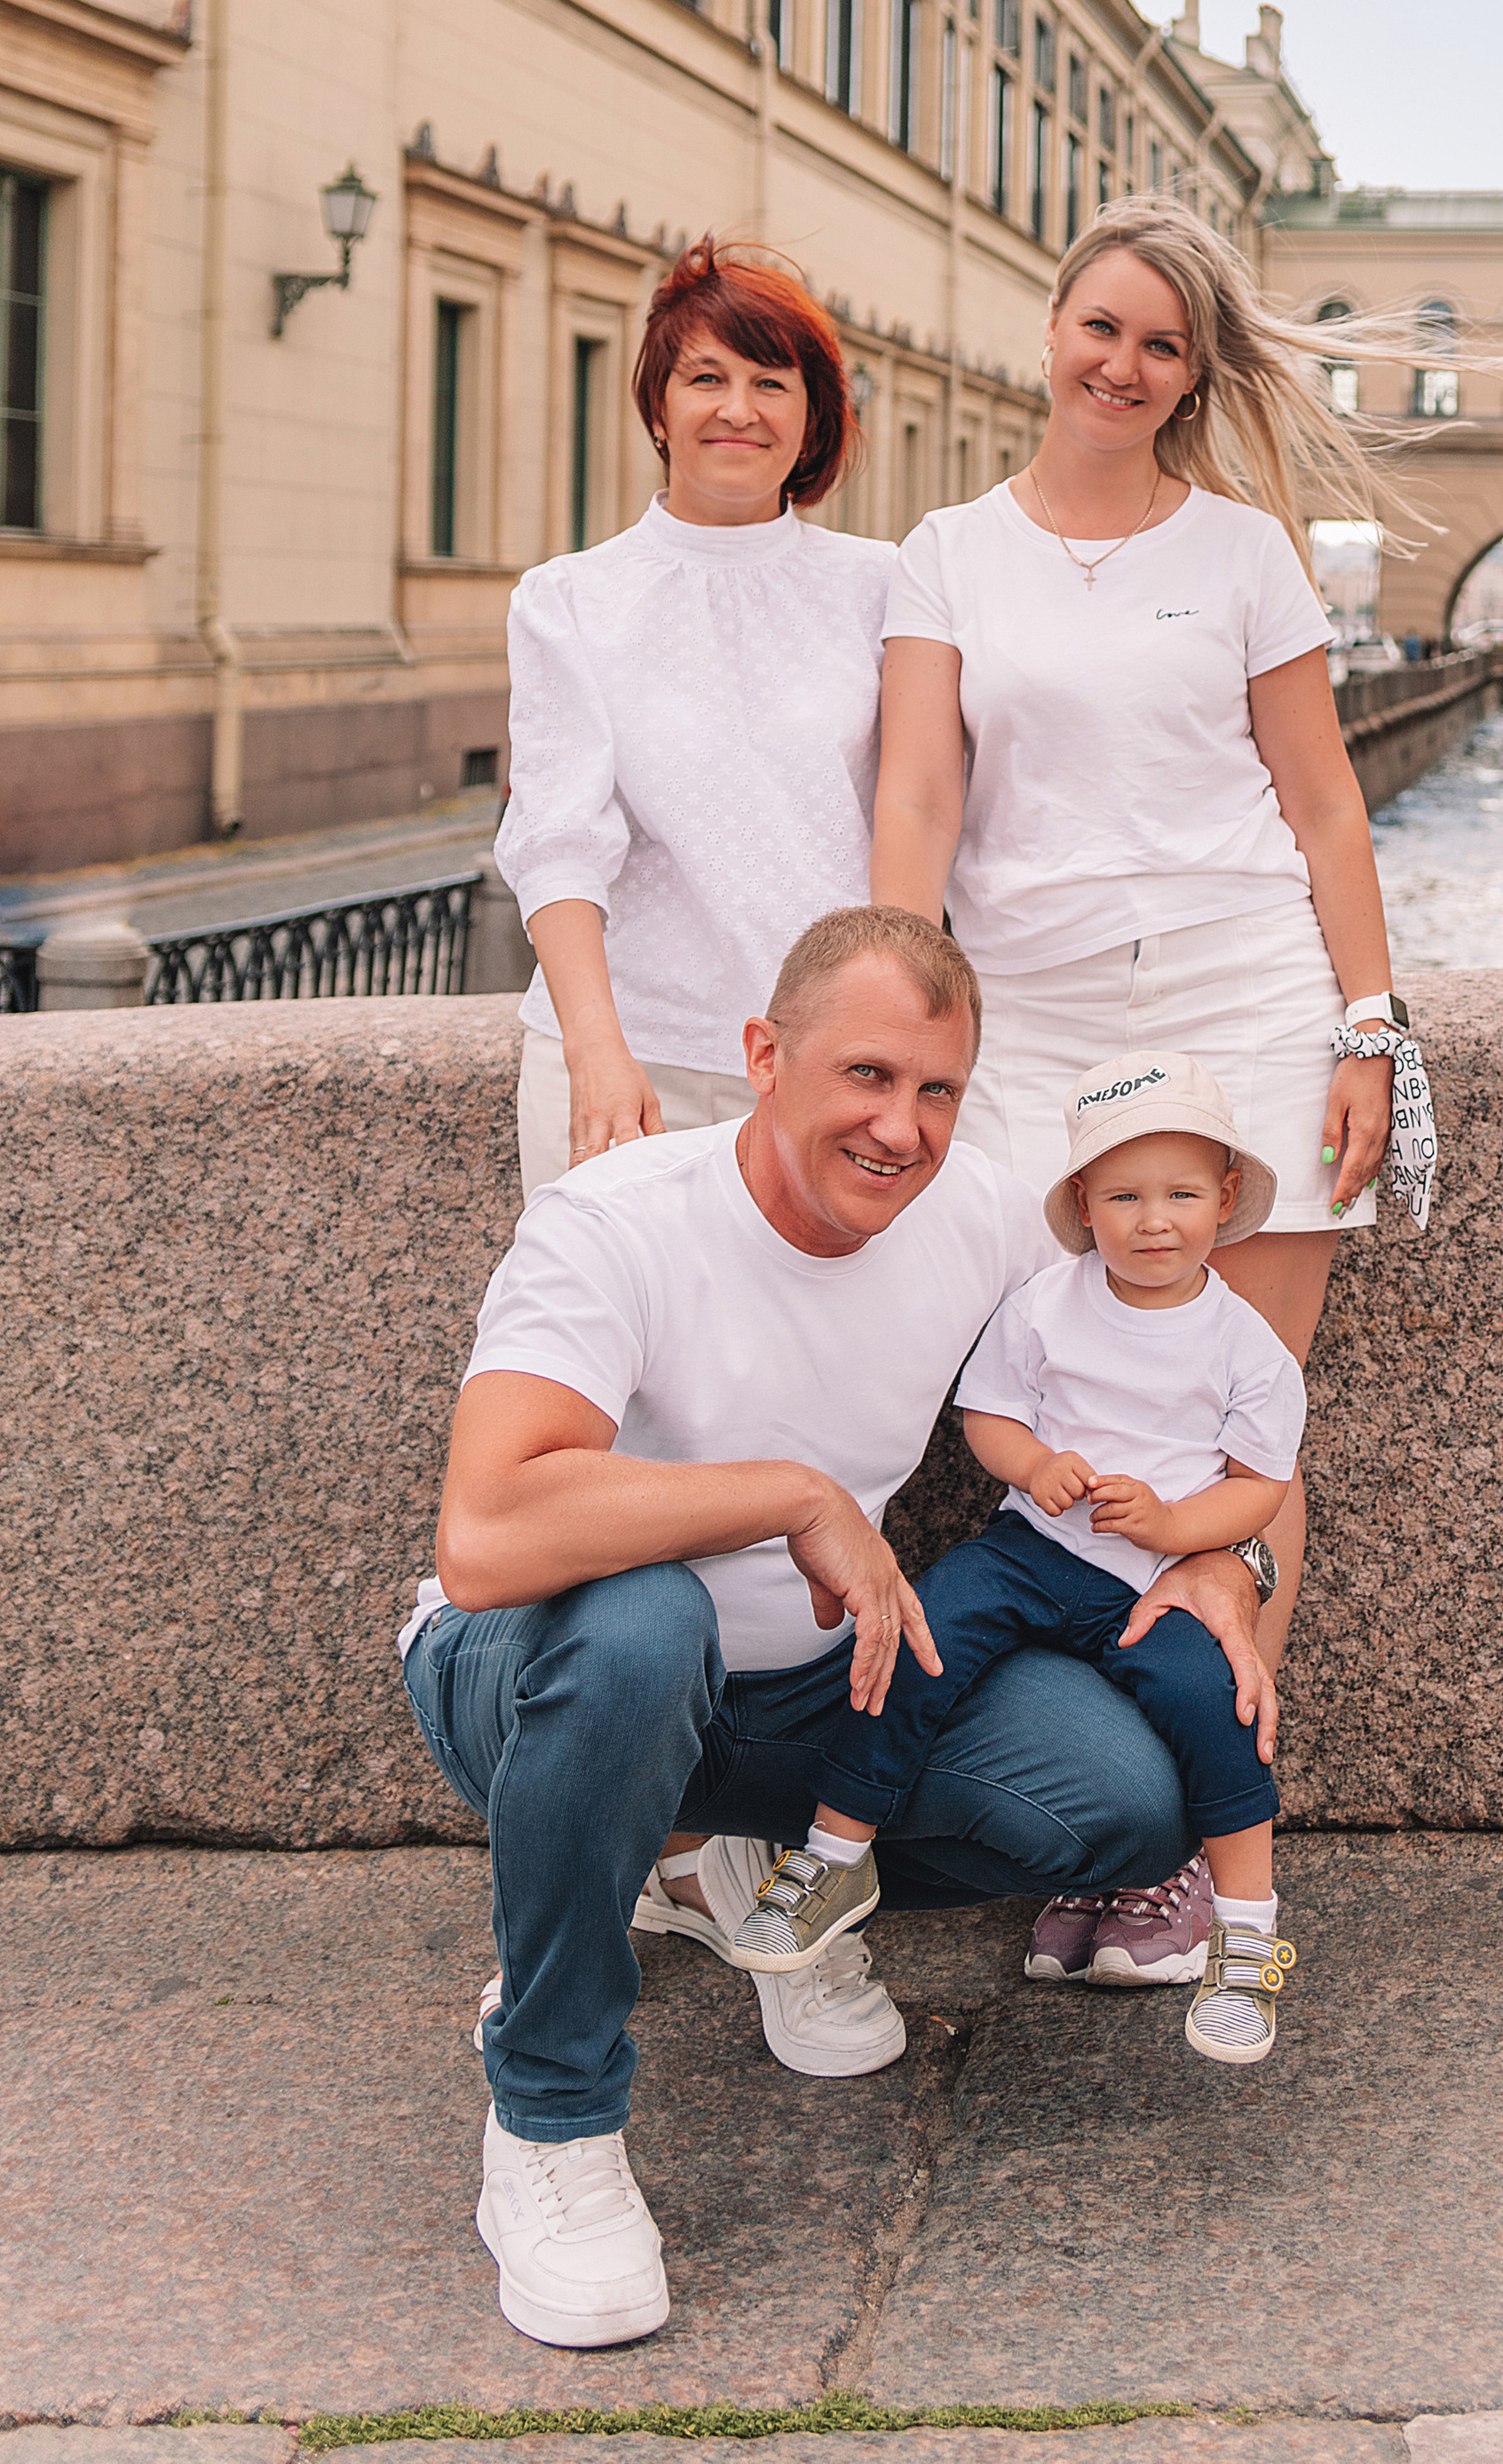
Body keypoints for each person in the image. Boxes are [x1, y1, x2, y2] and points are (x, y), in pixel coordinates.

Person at [398, 905, 1276, 2352]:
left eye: (937, 1089)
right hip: (536, 1675)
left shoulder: (984, 1216)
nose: (901, 1128)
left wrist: (1224, 1557)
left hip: (812, 1690)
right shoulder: (617, 1221)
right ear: (764, 1056)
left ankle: (732, 1863)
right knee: (640, 1623)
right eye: (866, 1077)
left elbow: (1182, 1374)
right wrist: (790, 1497)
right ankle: (548, 2117)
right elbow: (487, 1534)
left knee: (1123, 1801)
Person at [867, 200, 1418, 1993]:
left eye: (1159, 346)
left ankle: (1187, 1848)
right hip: (1027, 1020)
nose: (1120, 366)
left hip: (1243, 993)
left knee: (1241, 1432)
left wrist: (1364, 1030)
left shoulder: (1248, 550)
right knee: (985, 1383)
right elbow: (922, 809)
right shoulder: (943, 554)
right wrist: (888, 1007)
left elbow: (1323, 805)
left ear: (1191, 375)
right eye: (1098, 328)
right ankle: (1073, 1797)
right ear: (1051, 328)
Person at [736, 1049, 1305, 2065]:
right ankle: (833, 1852)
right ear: (1084, 1203)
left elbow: (1260, 1482)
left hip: (1150, 1581)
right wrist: (1034, 1463)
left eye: (1180, 1194)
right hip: (1031, 1549)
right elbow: (988, 1410)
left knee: (1223, 1701)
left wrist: (1179, 1530)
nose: (1154, 1220)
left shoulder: (1243, 1342)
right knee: (918, 1630)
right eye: (1125, 1196)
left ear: (1223, 1199)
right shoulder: (1049, 1302)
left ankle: (1247, 1934)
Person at [494, 238, 890, 1194]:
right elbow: (556, 840)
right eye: (704, 377)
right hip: (632, 1061)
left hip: (824, 1067)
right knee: (606, 1340)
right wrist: (598, 1054)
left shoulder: (882, 588)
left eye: (771, 381)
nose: (737, 409)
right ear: (659, 409)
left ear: (813, 417)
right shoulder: (571, 599)